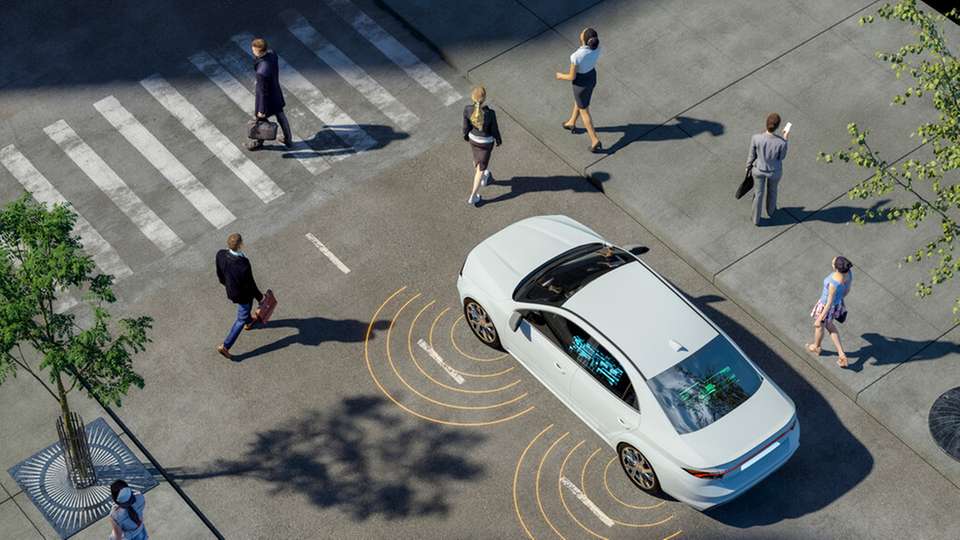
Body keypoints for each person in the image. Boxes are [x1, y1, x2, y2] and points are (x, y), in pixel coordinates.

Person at [216, 233, 264, 359]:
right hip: (242, 294)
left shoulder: (220, 254)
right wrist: (260, 298)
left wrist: (225, 283)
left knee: (246, 311)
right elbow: (251, 284)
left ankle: (249, 321)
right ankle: (226, 346)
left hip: (231, 289)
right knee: (240, 319)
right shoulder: (243, 263)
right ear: (240, 245)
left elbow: (220, 273)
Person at [556, 28, 602, 153]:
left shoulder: (576, 56)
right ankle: (571, 122)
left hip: (580, 84)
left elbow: (572, 76)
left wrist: (560, 76)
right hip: (591, 77)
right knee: (581, 102)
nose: (581, 33)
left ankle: (594, 139)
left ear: (584, 39)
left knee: (584, 111)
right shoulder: (597, 48)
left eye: (582, 32)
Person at [246, 37, 293, 151]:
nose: (252, 51)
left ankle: (258, 142)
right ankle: (288, 139)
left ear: (259, 51)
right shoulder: (272, 54)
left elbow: (262, 93)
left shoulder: (261, 72)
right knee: (281, 116)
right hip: (275, 92)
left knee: (260, 120)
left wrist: (261, 109)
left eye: (254, 50)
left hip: (266, 99)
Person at [806, 256, 853, 368]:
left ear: (836, 268)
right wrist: (840, 300)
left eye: (834, 262)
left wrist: (819, 318)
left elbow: (829, 302)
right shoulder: (849, 274)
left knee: (819, 326)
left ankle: (816, 347)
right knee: (830, 325)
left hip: (825, 307)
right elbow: (847, 290)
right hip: (837, 303)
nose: (832, 261)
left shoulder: (833, 283)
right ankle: (842, 355)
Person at [746, 113, 790, 225]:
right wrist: (785, 139)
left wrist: (748, 168)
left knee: (758, 193)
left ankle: (756, 219)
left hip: (758, 170)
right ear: (778, 127)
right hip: (774, 171)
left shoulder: (756, 138)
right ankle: (771, 211)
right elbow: (782, 157)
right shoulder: (781, 142)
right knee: (773, 191)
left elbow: (751, 155)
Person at [462, 86, 502, 206]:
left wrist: (466, 136)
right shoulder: (490, 113)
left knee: (477, 160)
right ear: (484, 98)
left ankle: (484, 178)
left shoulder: (467, 109)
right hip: (485, 143)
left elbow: (465, 127)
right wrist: (498, 140)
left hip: (473, 140)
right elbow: (494, 130)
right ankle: (473, 196)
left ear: (472, 97)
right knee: (480, 169)